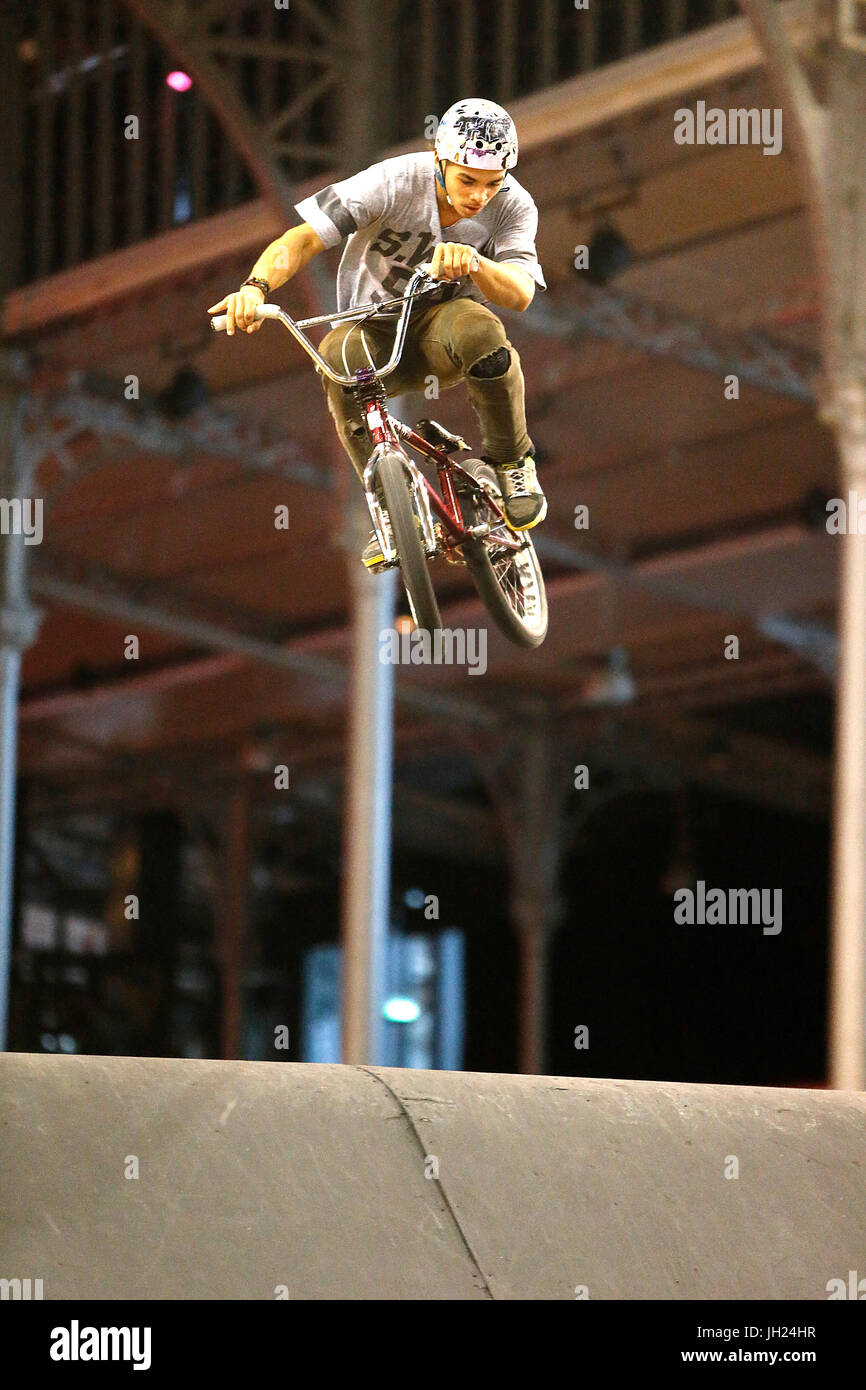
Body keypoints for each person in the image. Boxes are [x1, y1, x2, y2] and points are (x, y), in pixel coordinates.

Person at [208, 99, 547, 569]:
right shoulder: (391, 181)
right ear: (438, 160)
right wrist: (255, 286)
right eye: (467, 180)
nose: (478, 196)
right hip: (371, 328)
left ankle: (512, 465)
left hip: (439, 329)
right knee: (336, 356)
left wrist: (475, 261)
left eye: (492, 184)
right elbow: (303, 238)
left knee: (481, 328)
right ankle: (391, 510)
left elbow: (521, 294)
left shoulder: (513, 206)